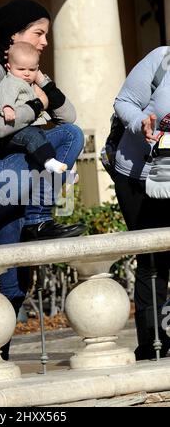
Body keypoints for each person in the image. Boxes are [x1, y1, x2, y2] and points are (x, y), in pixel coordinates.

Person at [0, 0, 86, 360]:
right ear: (14, 36)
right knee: (70, 136)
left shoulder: (27, 72)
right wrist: (38, 105)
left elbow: (69, 110)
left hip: (15, 185)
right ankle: (39, 221)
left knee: (14, 283)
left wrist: (42, 81)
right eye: (38, 34)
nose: (44, 42)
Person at [113, 46, 170, 360]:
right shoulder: (161, 60)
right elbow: (124, 101)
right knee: (151, 264)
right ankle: (153, 345)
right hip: (136, 174)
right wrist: (140, 122)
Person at [0, 41, 68, 174]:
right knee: (33, 137)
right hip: (15, 131)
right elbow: (5, 94)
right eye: (21, 69)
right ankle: (49, 162)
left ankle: (62, 170)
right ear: (8, 67)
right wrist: (7, 107)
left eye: (32, 70)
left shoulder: (30, 84)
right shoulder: (11, 81)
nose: (26, 73)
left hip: (29, 127)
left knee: (41, 140)